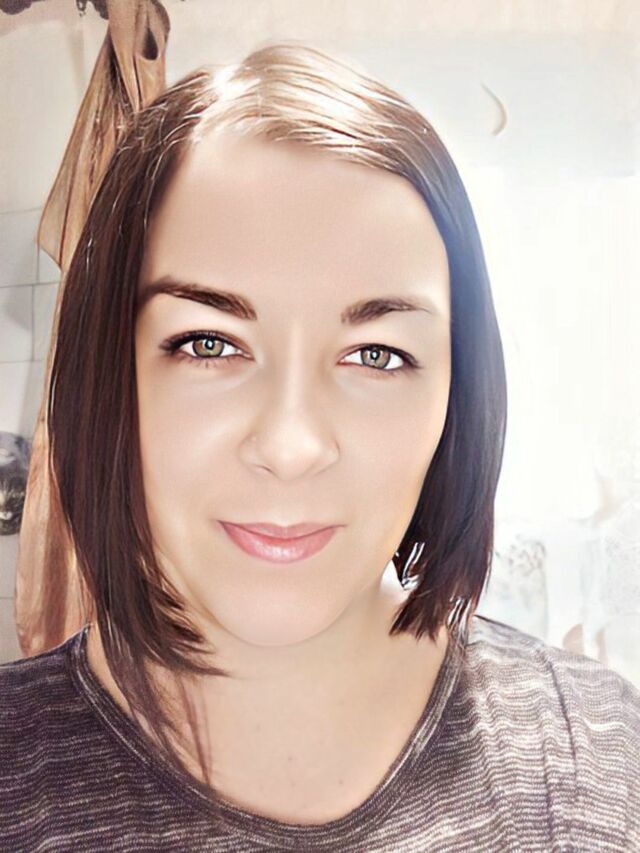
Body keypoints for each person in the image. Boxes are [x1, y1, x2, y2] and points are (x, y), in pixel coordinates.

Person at [1, 42, 638, 852]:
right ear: (108, 376)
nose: (292, 446)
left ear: (458, 395)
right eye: (208, 343)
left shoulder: (595, 757)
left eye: (377, 354)